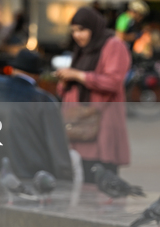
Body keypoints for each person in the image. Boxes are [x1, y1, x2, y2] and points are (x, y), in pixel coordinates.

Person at [0, 49, 73, 180]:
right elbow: (56, 146)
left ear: (12, 69)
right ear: (38, 75)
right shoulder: (45, 100)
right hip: (25, 174)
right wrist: (65, 177)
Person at [56, 7, 131, 183]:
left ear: (94, 27)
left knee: (103, 182)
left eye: (82, 30)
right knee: (84, 181)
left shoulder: (113, 45)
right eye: (74, 31)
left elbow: (113, 81)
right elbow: (67, 89)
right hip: (79, 127)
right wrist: (65, 81)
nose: (77, 35)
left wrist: (77, 75)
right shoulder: (83, 49)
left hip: (102, 123)